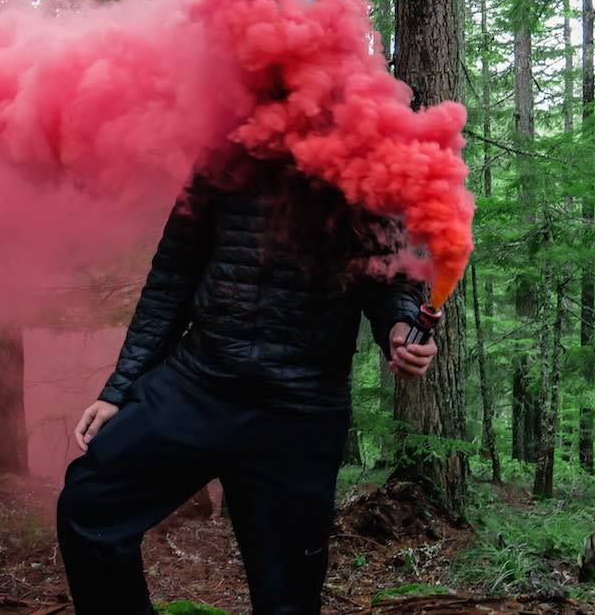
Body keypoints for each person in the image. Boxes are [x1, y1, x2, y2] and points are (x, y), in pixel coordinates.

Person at [55, 147, 439, 615]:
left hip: (301, 408)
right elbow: (172, 278)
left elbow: (392, 282)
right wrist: (120, 388)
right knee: (90, 506)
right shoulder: (225, 143)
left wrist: (400, 329)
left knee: (288, 601)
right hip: (199, 382)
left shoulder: (371, 150)